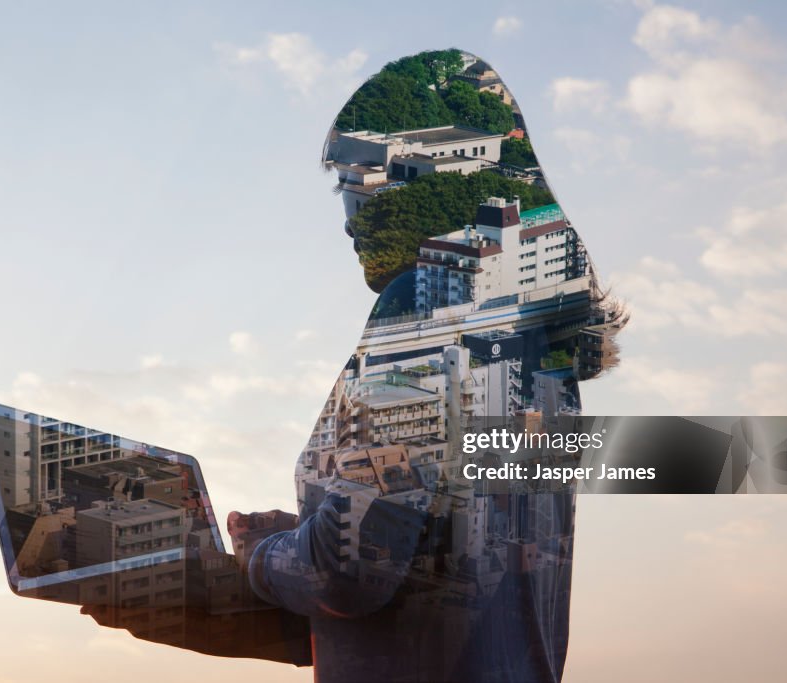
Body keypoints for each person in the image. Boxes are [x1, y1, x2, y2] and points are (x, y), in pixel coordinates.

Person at [79, 48, 626, 681]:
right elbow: (414, 608)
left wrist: (262, 551)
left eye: (359, 181)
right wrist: (179, 599)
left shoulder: (434, 300)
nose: (349, 216)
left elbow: (347, 574)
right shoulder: (539, 352)